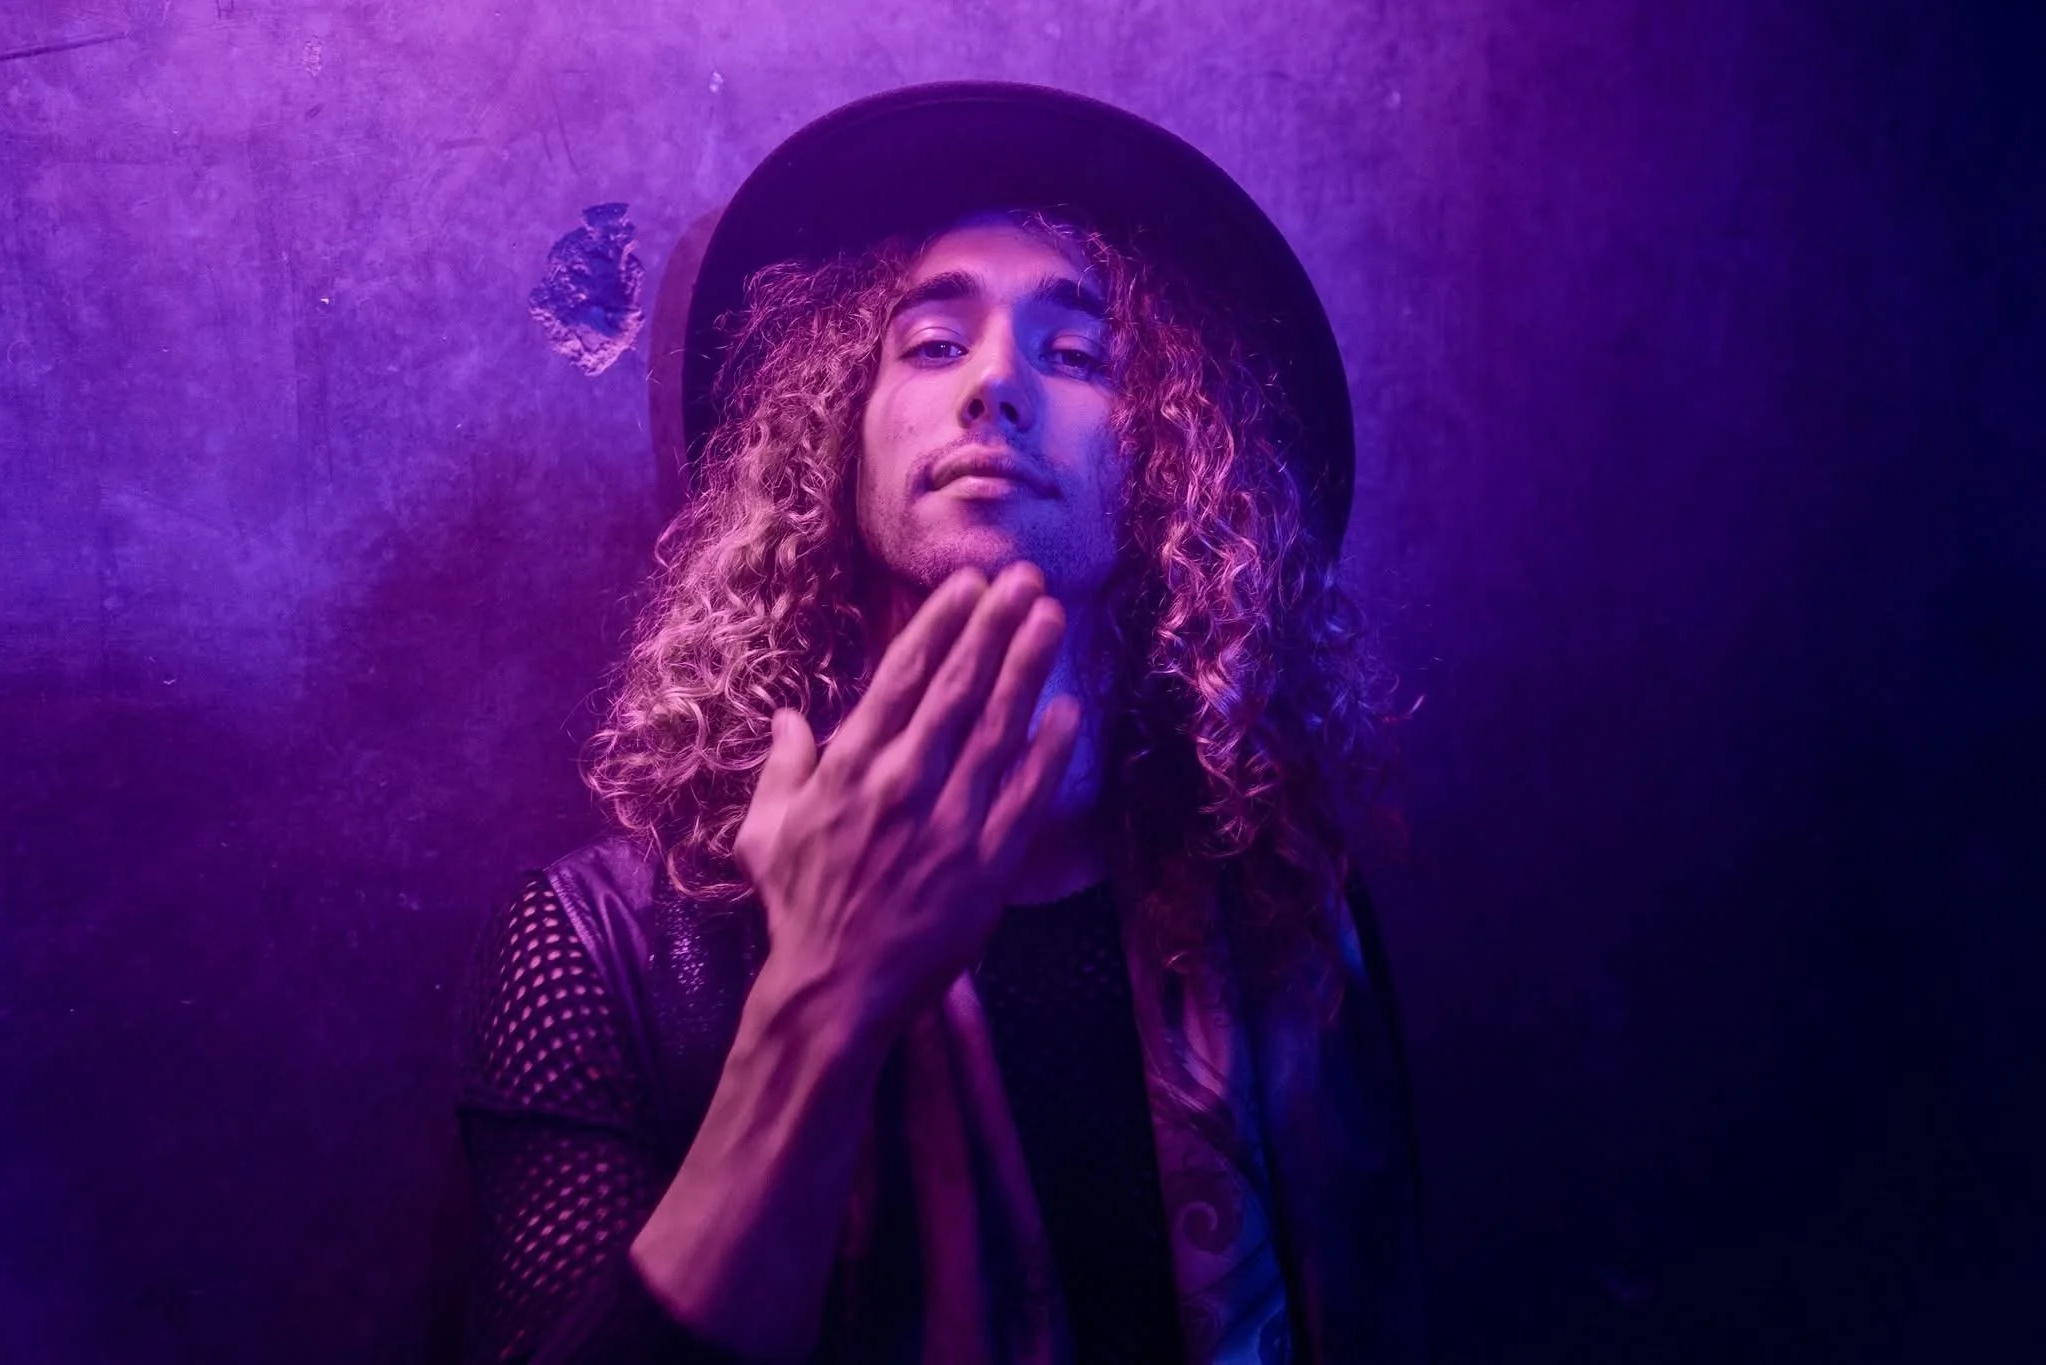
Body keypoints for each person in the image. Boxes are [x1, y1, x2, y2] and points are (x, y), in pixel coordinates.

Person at [455, 82, 1424, 1365]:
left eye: (1076, 355)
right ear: (828, 444)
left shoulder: (1292, 911)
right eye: (930, 343)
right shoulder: (605, 948)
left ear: (1173, 470)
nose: (995, 388)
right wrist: (821, 1003)